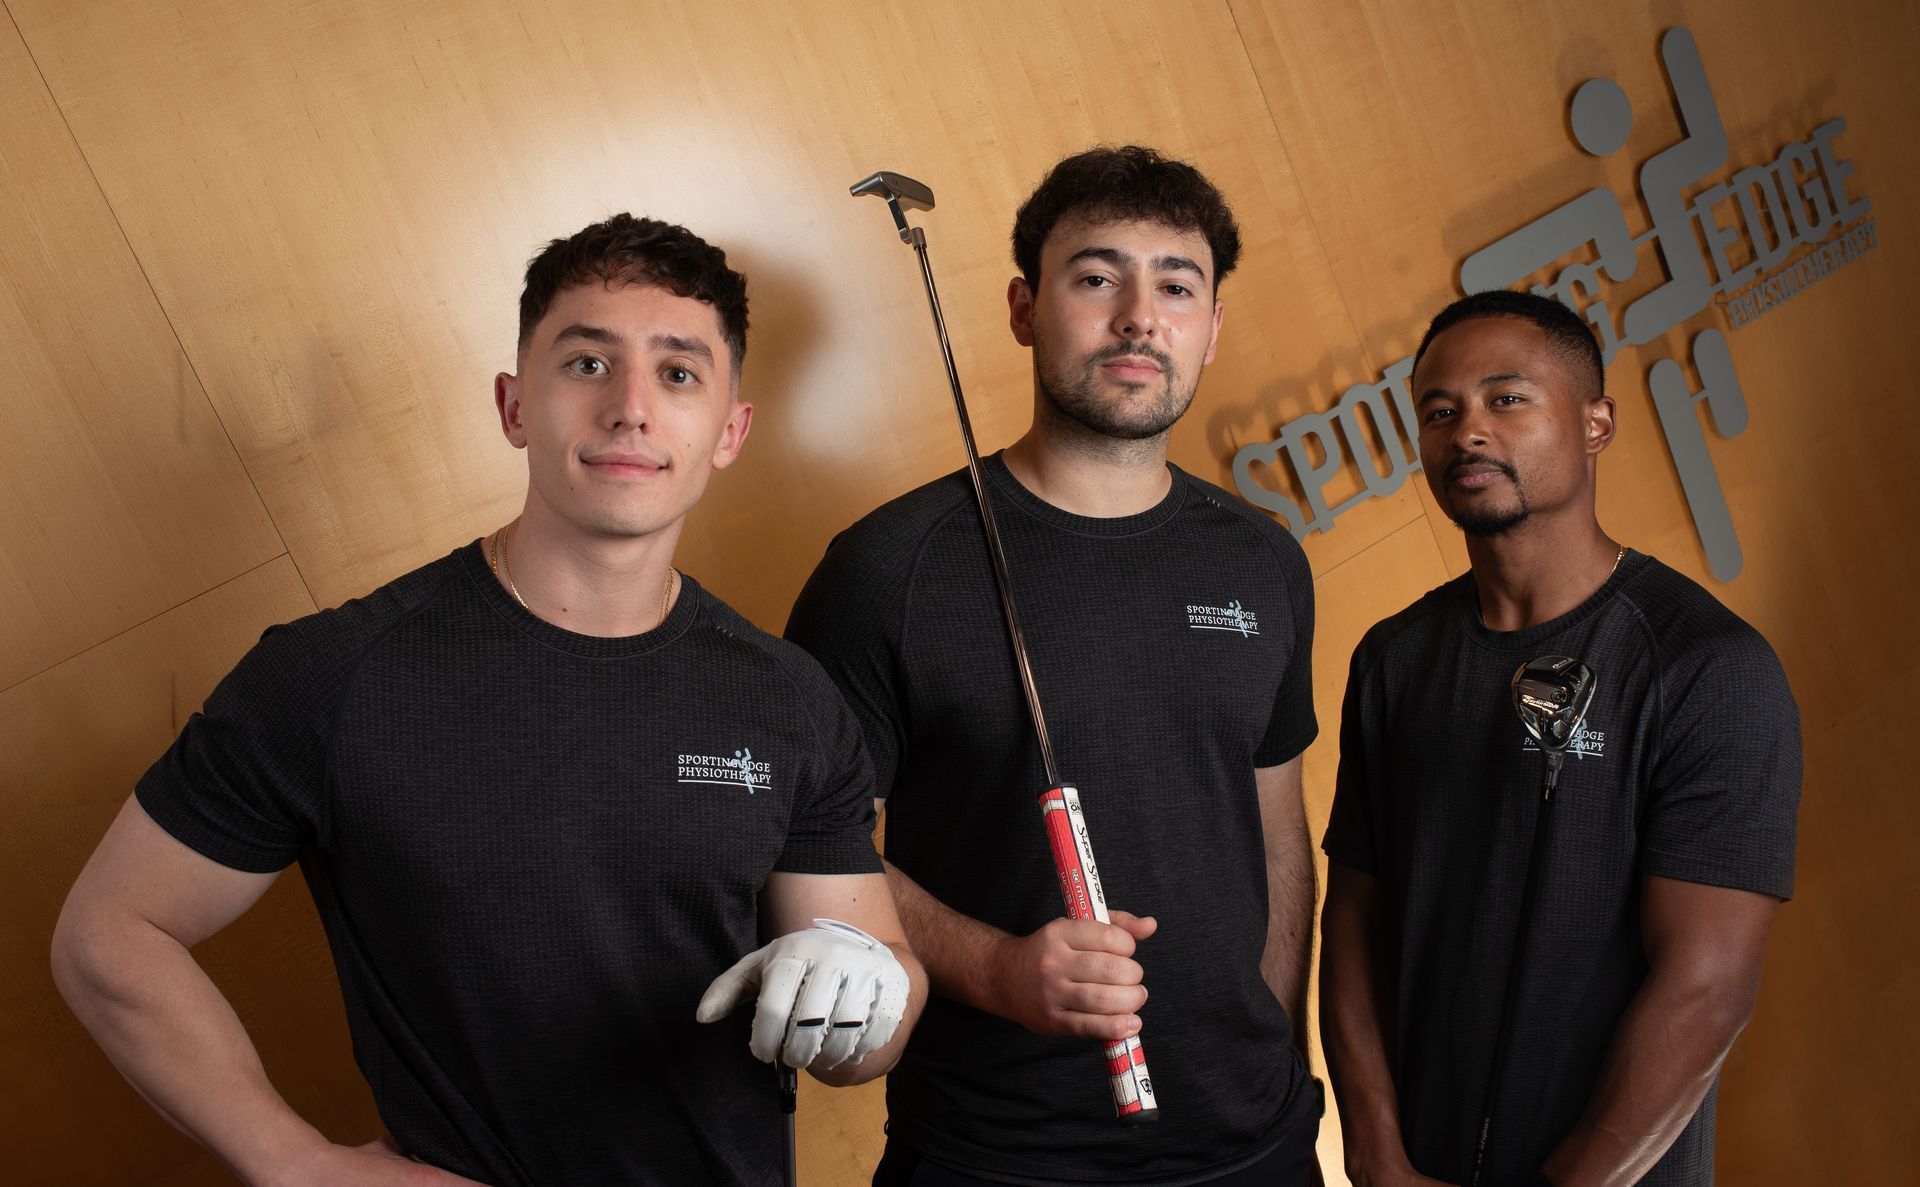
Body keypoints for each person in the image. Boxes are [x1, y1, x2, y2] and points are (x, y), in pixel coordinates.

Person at [51, 213, 926, 1187]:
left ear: (729, 430)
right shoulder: (336, 673)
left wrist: (871, 986)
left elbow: (871, 1005)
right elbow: (106, 932)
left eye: (677, 372)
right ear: (515, 405)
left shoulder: (788, 698)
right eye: (588, 364)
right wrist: (293, 1160)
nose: (630, 408)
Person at [788, 146, 1323, 1184]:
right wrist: (1002, 968)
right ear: (1025, 307)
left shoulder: (1263, 559)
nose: (1138, 315)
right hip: (996, 1151)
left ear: (1211, 327)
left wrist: (1278, 1063)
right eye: (1096, 276)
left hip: (1253, 1147)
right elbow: (806, 846)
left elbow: (1277, 834)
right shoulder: (887, 570)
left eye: (1177, 284)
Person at [1319, 290, 1799, 1187]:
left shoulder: (1706, 666)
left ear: (1596, 423)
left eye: (1507, 399)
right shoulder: (1394, 659)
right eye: (1439, 410)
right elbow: (1354, 923)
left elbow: (1708, 984)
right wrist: (1379, 1155)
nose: (1468, 431)